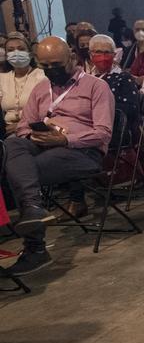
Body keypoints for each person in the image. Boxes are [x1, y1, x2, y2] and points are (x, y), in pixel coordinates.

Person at [3, 37, 115, 275]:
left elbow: (103, 134)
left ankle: (35, 248)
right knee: (12, 145)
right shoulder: (41, 89)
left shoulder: (96, 86)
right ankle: (34, 207)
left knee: (24, 172)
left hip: (81, 150)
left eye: (57, 64)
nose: (52, 70)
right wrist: (39, 134)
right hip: (43, 143)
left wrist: (65, 139)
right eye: (46, 66)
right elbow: (23, 126)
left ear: (72, 58)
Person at [1, 34, 45, 135]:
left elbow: (44, 112)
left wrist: (19, 126)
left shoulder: (42, 76)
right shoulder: (2, 79)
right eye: (11, 50)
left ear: (29, 53)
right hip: (6, 130)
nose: (16, 53)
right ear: (6, 55)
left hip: (32, 128)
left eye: (21, 49)